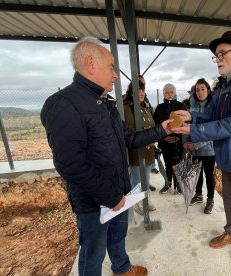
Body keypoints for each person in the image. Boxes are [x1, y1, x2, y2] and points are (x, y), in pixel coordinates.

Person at [40, 36, 171, 276]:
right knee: (93, 252)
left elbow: (129, 139)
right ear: (91, 63)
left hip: (118, 193)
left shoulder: (105, 103)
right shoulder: (63, 105)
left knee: (117, 237)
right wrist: (110, 196)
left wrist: (164, 129)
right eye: (111, 66)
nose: (115, 74)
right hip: (94, 202)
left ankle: (121, 268)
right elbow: (70, 164)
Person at [172, 31, 231, 263]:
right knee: (228, 197)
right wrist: (192, 116)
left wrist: (193, 131)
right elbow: (213, 115)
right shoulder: (224, 84)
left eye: (222, 53)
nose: (218, 59)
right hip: (225, 154)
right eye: (216, 56)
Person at [123, 80, 156, 214]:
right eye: (138, 90)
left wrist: (153, 138)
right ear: (131, 92)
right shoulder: (126, 107)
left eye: (143, 90)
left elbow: (151, 125)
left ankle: (145, 200)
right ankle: (137, 204)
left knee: (146, 178)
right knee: (136, 180)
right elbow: (128, 128)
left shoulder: (145, 106)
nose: (141, 93)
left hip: (148, 150)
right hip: (136, 150)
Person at [184, 78, 216, 214]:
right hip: (193, 150)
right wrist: (185, 144)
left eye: (203, 89)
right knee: (196, 173)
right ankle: (198, 195)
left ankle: (210, 199)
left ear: (208, 90)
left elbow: (213, 132)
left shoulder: (213, 108)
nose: (200, 92)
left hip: (208, 150)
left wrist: (195, 145)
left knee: (209, 175)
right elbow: (186, 127)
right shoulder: (191, 107)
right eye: (197, 90)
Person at [153, 83, 187, 194]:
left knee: (179, 163)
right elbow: (156, 125)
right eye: (167, 92)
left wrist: (178, 136)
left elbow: (186, 124)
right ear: (163, 94)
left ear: (175, 93)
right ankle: (168, 184)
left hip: (179, 141)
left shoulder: (181, 106)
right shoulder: (159, 108)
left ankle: (180, 185)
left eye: (171, 92)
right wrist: (164, 138)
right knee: (168, 164)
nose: (169, 94)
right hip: (165, 141)